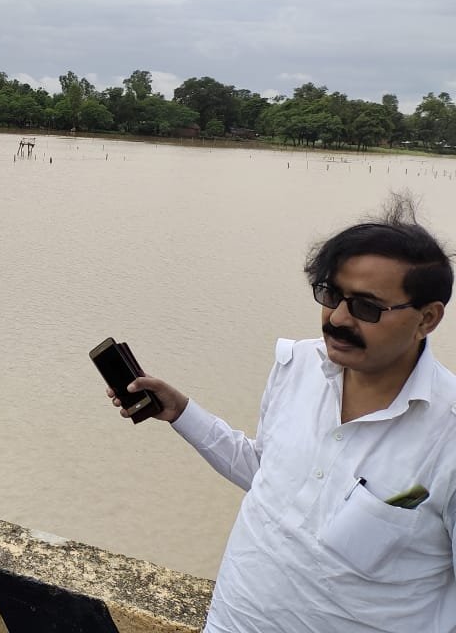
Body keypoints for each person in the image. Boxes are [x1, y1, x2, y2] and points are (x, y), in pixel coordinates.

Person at [112, 199, 455, 632]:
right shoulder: (297, 365)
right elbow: (268, 475)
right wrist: (181, 412)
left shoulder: (449, 434)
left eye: (367, 307)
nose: (338, 319)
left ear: (427, 318)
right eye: (331, 295)